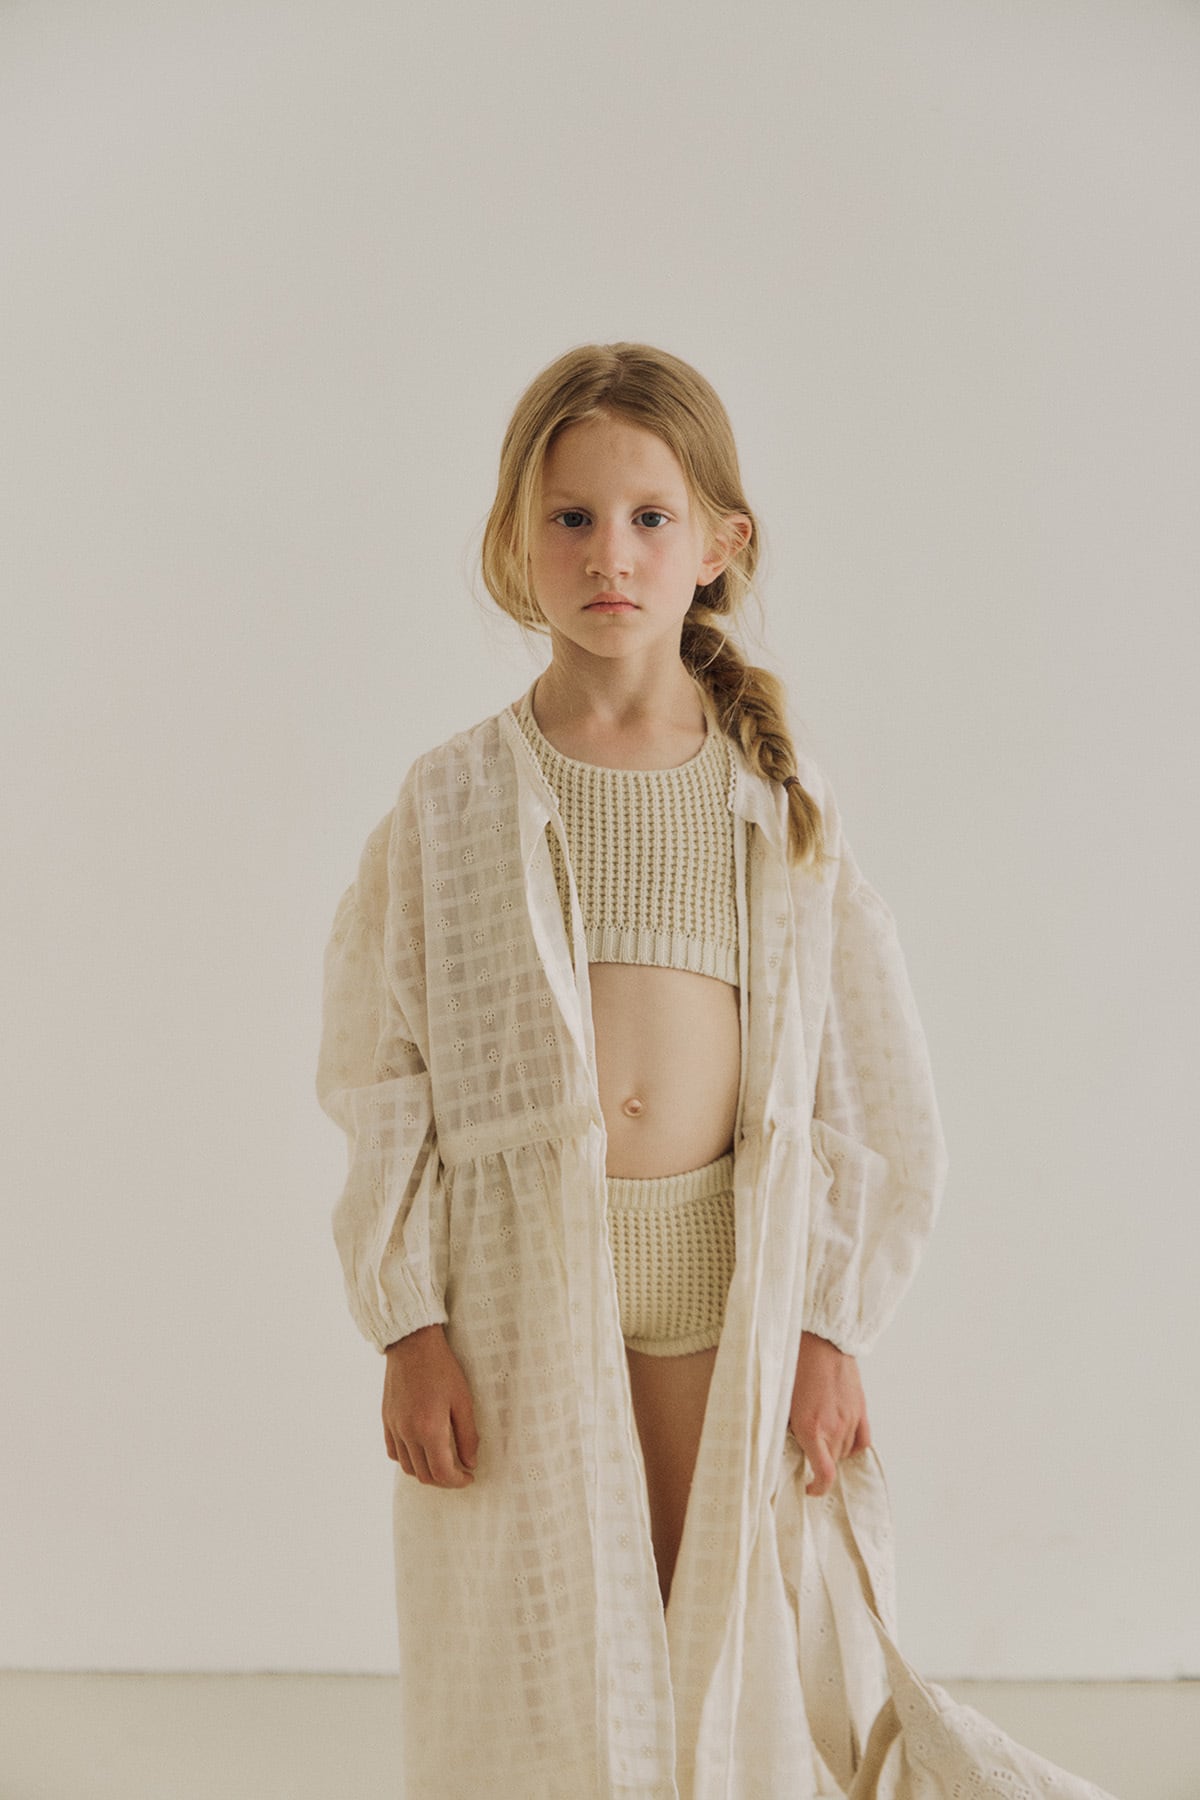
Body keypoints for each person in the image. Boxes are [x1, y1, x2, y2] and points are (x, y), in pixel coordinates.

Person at [315, 343, 1121, 1798]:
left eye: (648, 518)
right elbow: (385, 1077)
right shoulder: (449, 803)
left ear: (718, 544)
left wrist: (832, 1324)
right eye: (570, 518)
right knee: (550, 1644)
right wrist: (407, 1324)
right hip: (515, 1295)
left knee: (712, 1620)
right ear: (515, 539)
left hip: (717, 1283)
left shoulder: (773, 805)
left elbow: (863, 1087)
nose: (608, 555)